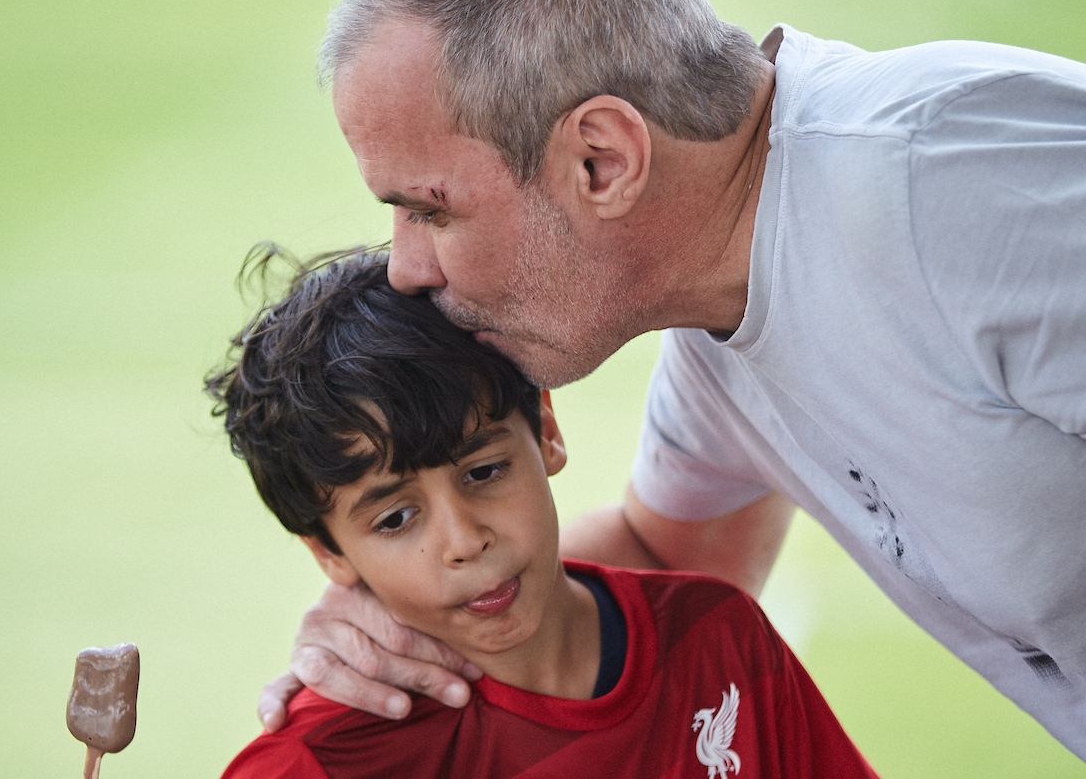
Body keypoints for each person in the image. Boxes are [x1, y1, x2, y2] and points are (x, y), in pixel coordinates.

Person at [262, 0, 1086, 759]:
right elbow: (658, 562)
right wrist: (388, 619)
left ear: (603, 161)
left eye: (430, 208)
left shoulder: (958, 183)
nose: (407, 266)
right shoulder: (718, 320)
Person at [207, 246, 879, 778]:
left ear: (546, 431)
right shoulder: (316, 762)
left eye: (483, 472)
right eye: (395, 520)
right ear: (328, 554)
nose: (464, 540)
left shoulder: (720, 639)